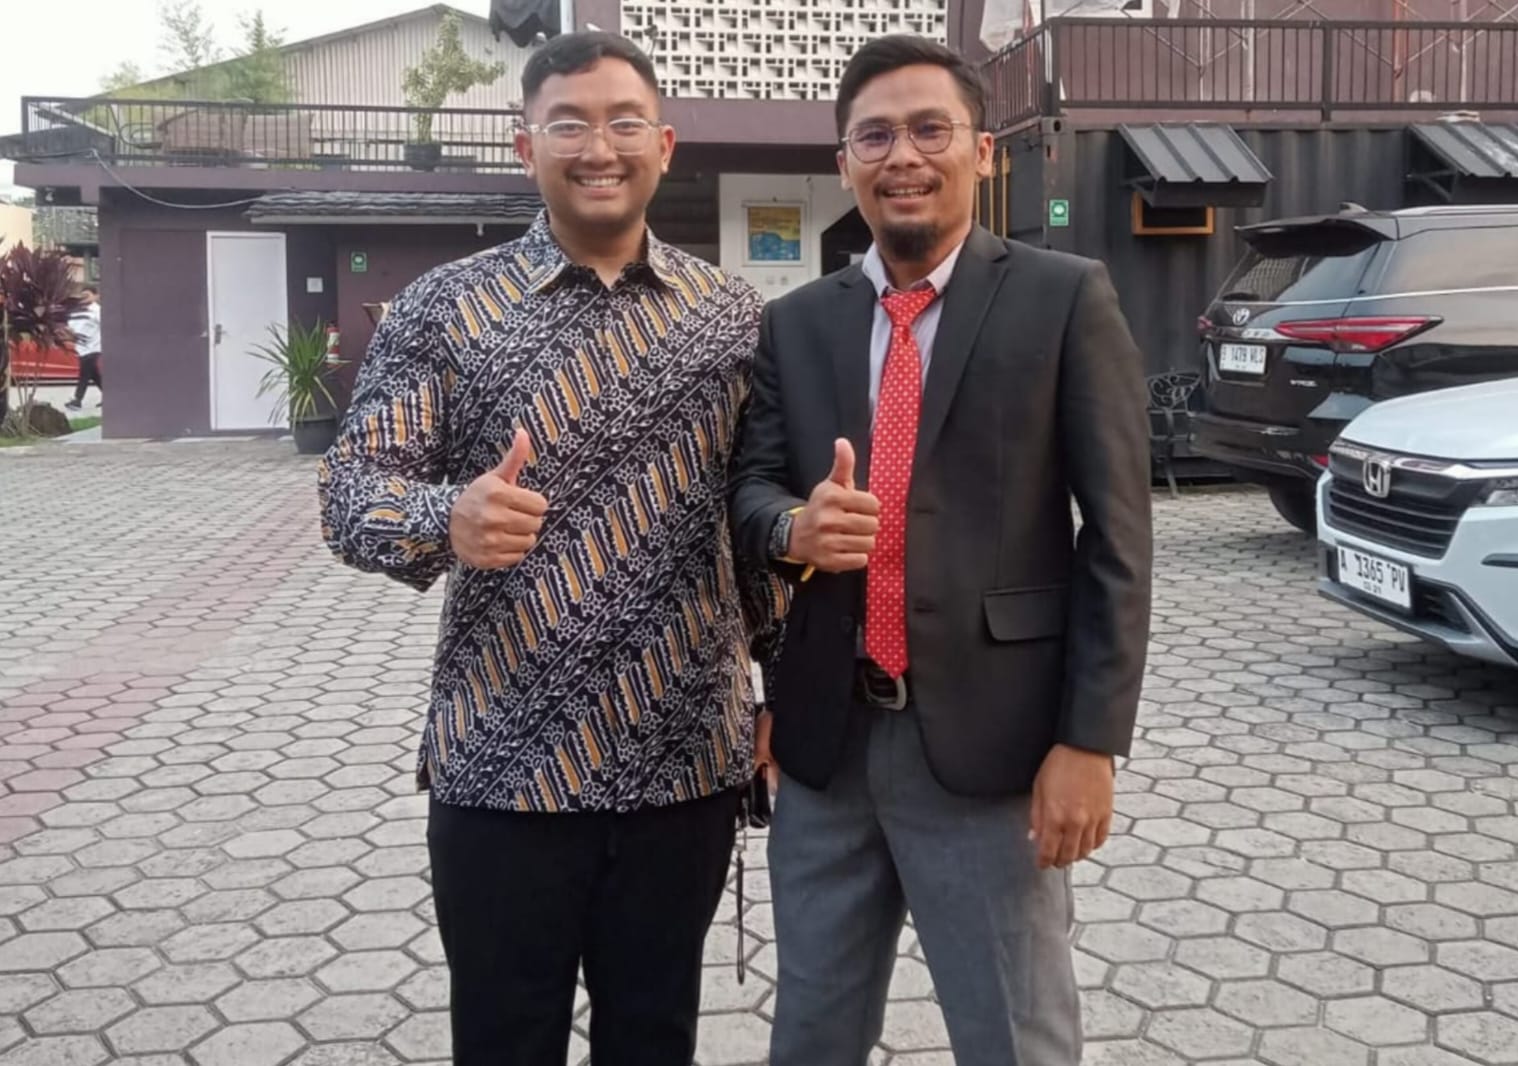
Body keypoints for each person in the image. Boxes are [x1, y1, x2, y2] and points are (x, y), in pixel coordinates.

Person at [318, 30, 781, 1066]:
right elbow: (348, 492)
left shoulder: (731, 319)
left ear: (665, 144)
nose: (598, 148)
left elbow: (752, 522)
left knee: (654, 1039)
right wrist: (447, 517)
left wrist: (781, 693)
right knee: (503, 1042)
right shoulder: (446, 308)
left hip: (682, 763)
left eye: (624, 123)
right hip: (502, 765)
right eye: (568, 125)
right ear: (524, 145)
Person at [729, 35, 1153, 1066]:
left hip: (993, 751)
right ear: (844, 163)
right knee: (810, 1034)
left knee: (1015, 1039)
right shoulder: (796, 324)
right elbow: (749, 490)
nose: (904, 156)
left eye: (930, 129)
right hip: (826, 750)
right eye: (874, 136)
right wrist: (792, 529)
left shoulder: (1063, 297)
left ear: (983, 151)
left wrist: (1090, 741)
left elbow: (1117, 537)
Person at [65, 286, 101, 412]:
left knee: (84, 374)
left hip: (94, 347)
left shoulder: (97, 311)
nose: (84, 297)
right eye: (83, 295)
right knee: (93, 374)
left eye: (87, 295)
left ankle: (77, 401)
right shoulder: (76, 310)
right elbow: (70, 326)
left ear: (96, 296)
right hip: (81, 348)